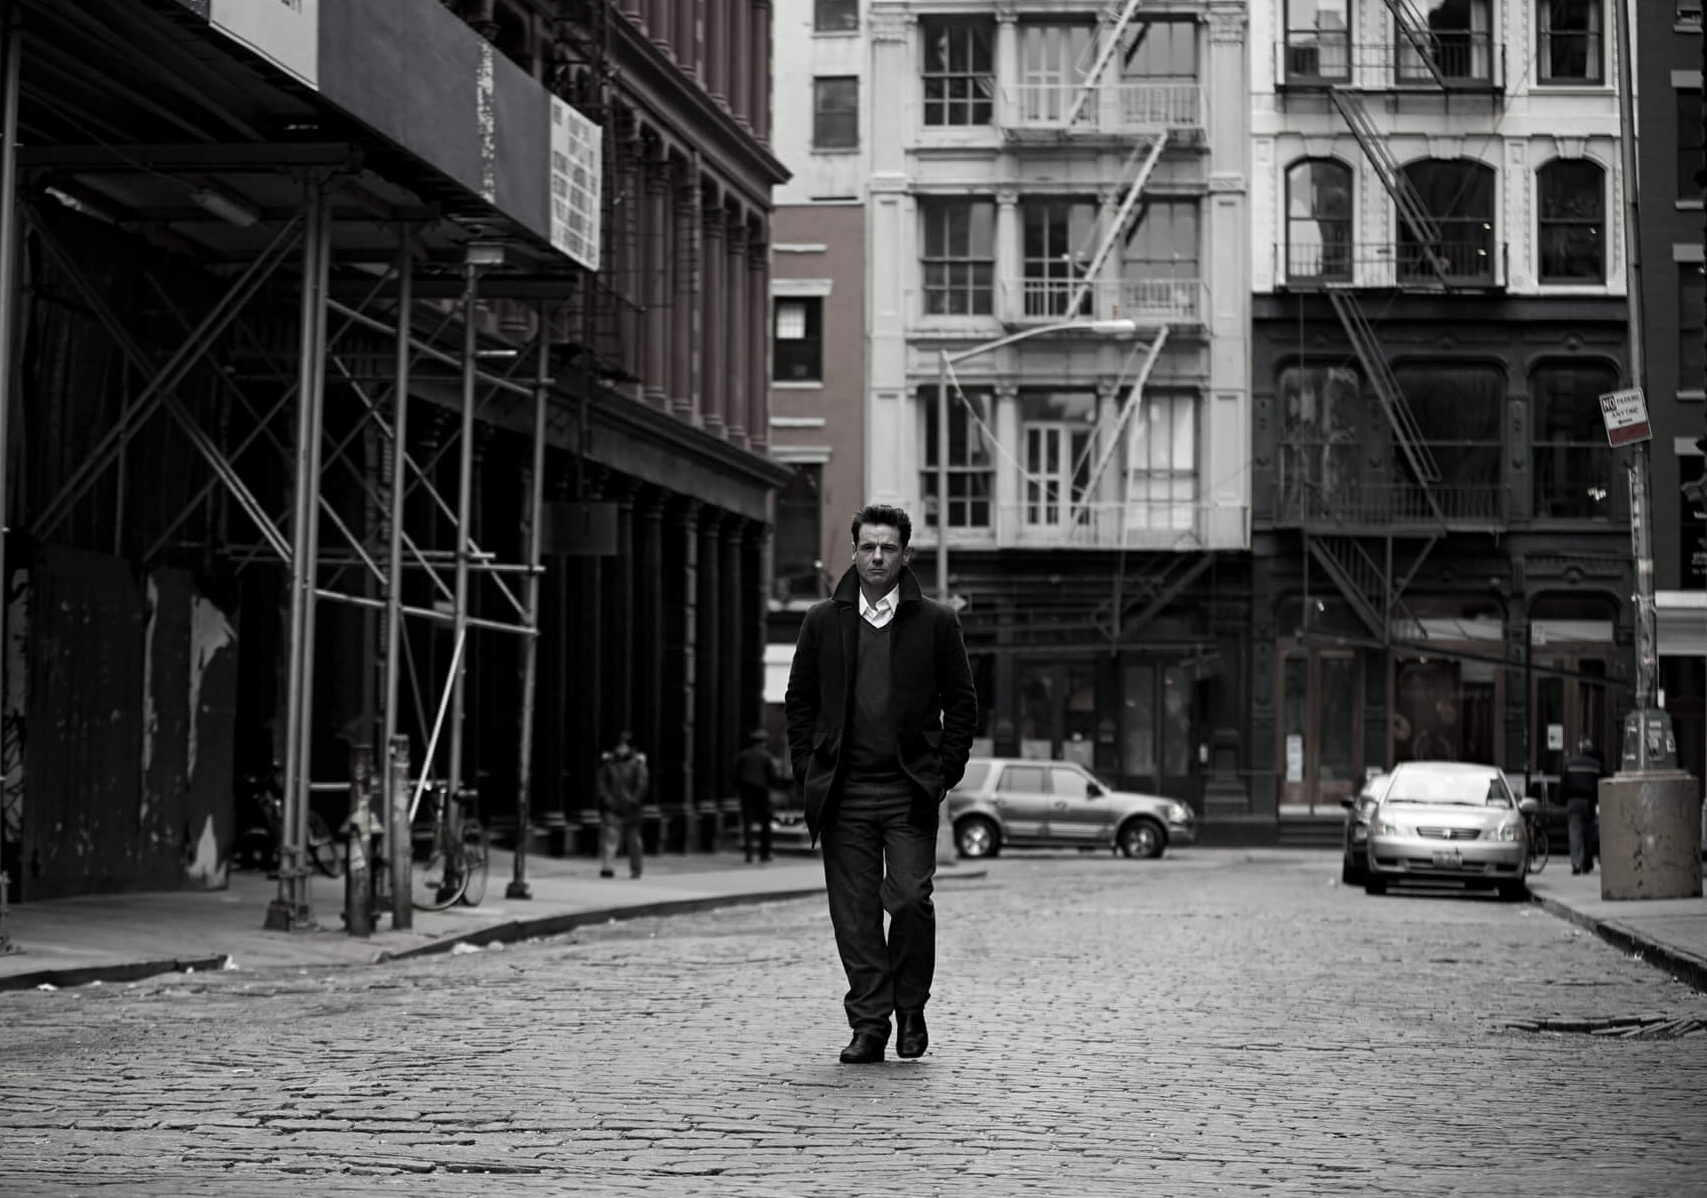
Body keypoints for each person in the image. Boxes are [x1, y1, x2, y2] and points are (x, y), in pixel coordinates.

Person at [784, 504, 977, 1065]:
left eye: (888, 548)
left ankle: (910, 1008)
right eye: (868, 547)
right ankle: (870, 1024)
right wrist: (808, 769)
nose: (876, 557)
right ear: (853, 552)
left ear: (905, 555)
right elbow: (799, 702)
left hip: (909, 788)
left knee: (912, 900)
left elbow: (962, 704)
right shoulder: (823, 620)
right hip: (842, 789)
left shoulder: (936, 622)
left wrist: (945, 773)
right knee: (855, 914)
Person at [597, 731, 648, 879]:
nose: (621, 749)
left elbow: (642, 784)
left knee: (634, 842)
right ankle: (607, 867)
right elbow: (602, 783)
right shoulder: (609, 764)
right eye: (619, 746)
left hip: (632, 809)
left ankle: (636, 869)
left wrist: (633, 800)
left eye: (625, 746)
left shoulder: (637, 764)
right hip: (613, 807)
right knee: (609, 838)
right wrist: (607, 799)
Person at [733, 729, 782, 863]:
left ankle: (749, 854)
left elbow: (735, 776)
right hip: (762, 792)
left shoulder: (742, 756)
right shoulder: (767, 757)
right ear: (763, 743)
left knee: (747, 823)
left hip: (746, 792)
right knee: (765, 824)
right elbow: (773, 777)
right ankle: (764, 853)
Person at [1560, 736, 1605, 876]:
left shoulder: (1570, 764)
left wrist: (1561, 800)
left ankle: (1576, 863)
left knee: (1575, 833)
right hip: (1590, 802)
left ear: (1580, 749)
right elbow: (1604, 782)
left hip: (1573, 801)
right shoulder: (1596, 765)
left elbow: (1563, 785)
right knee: (1589, 833)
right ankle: (1586, 862)